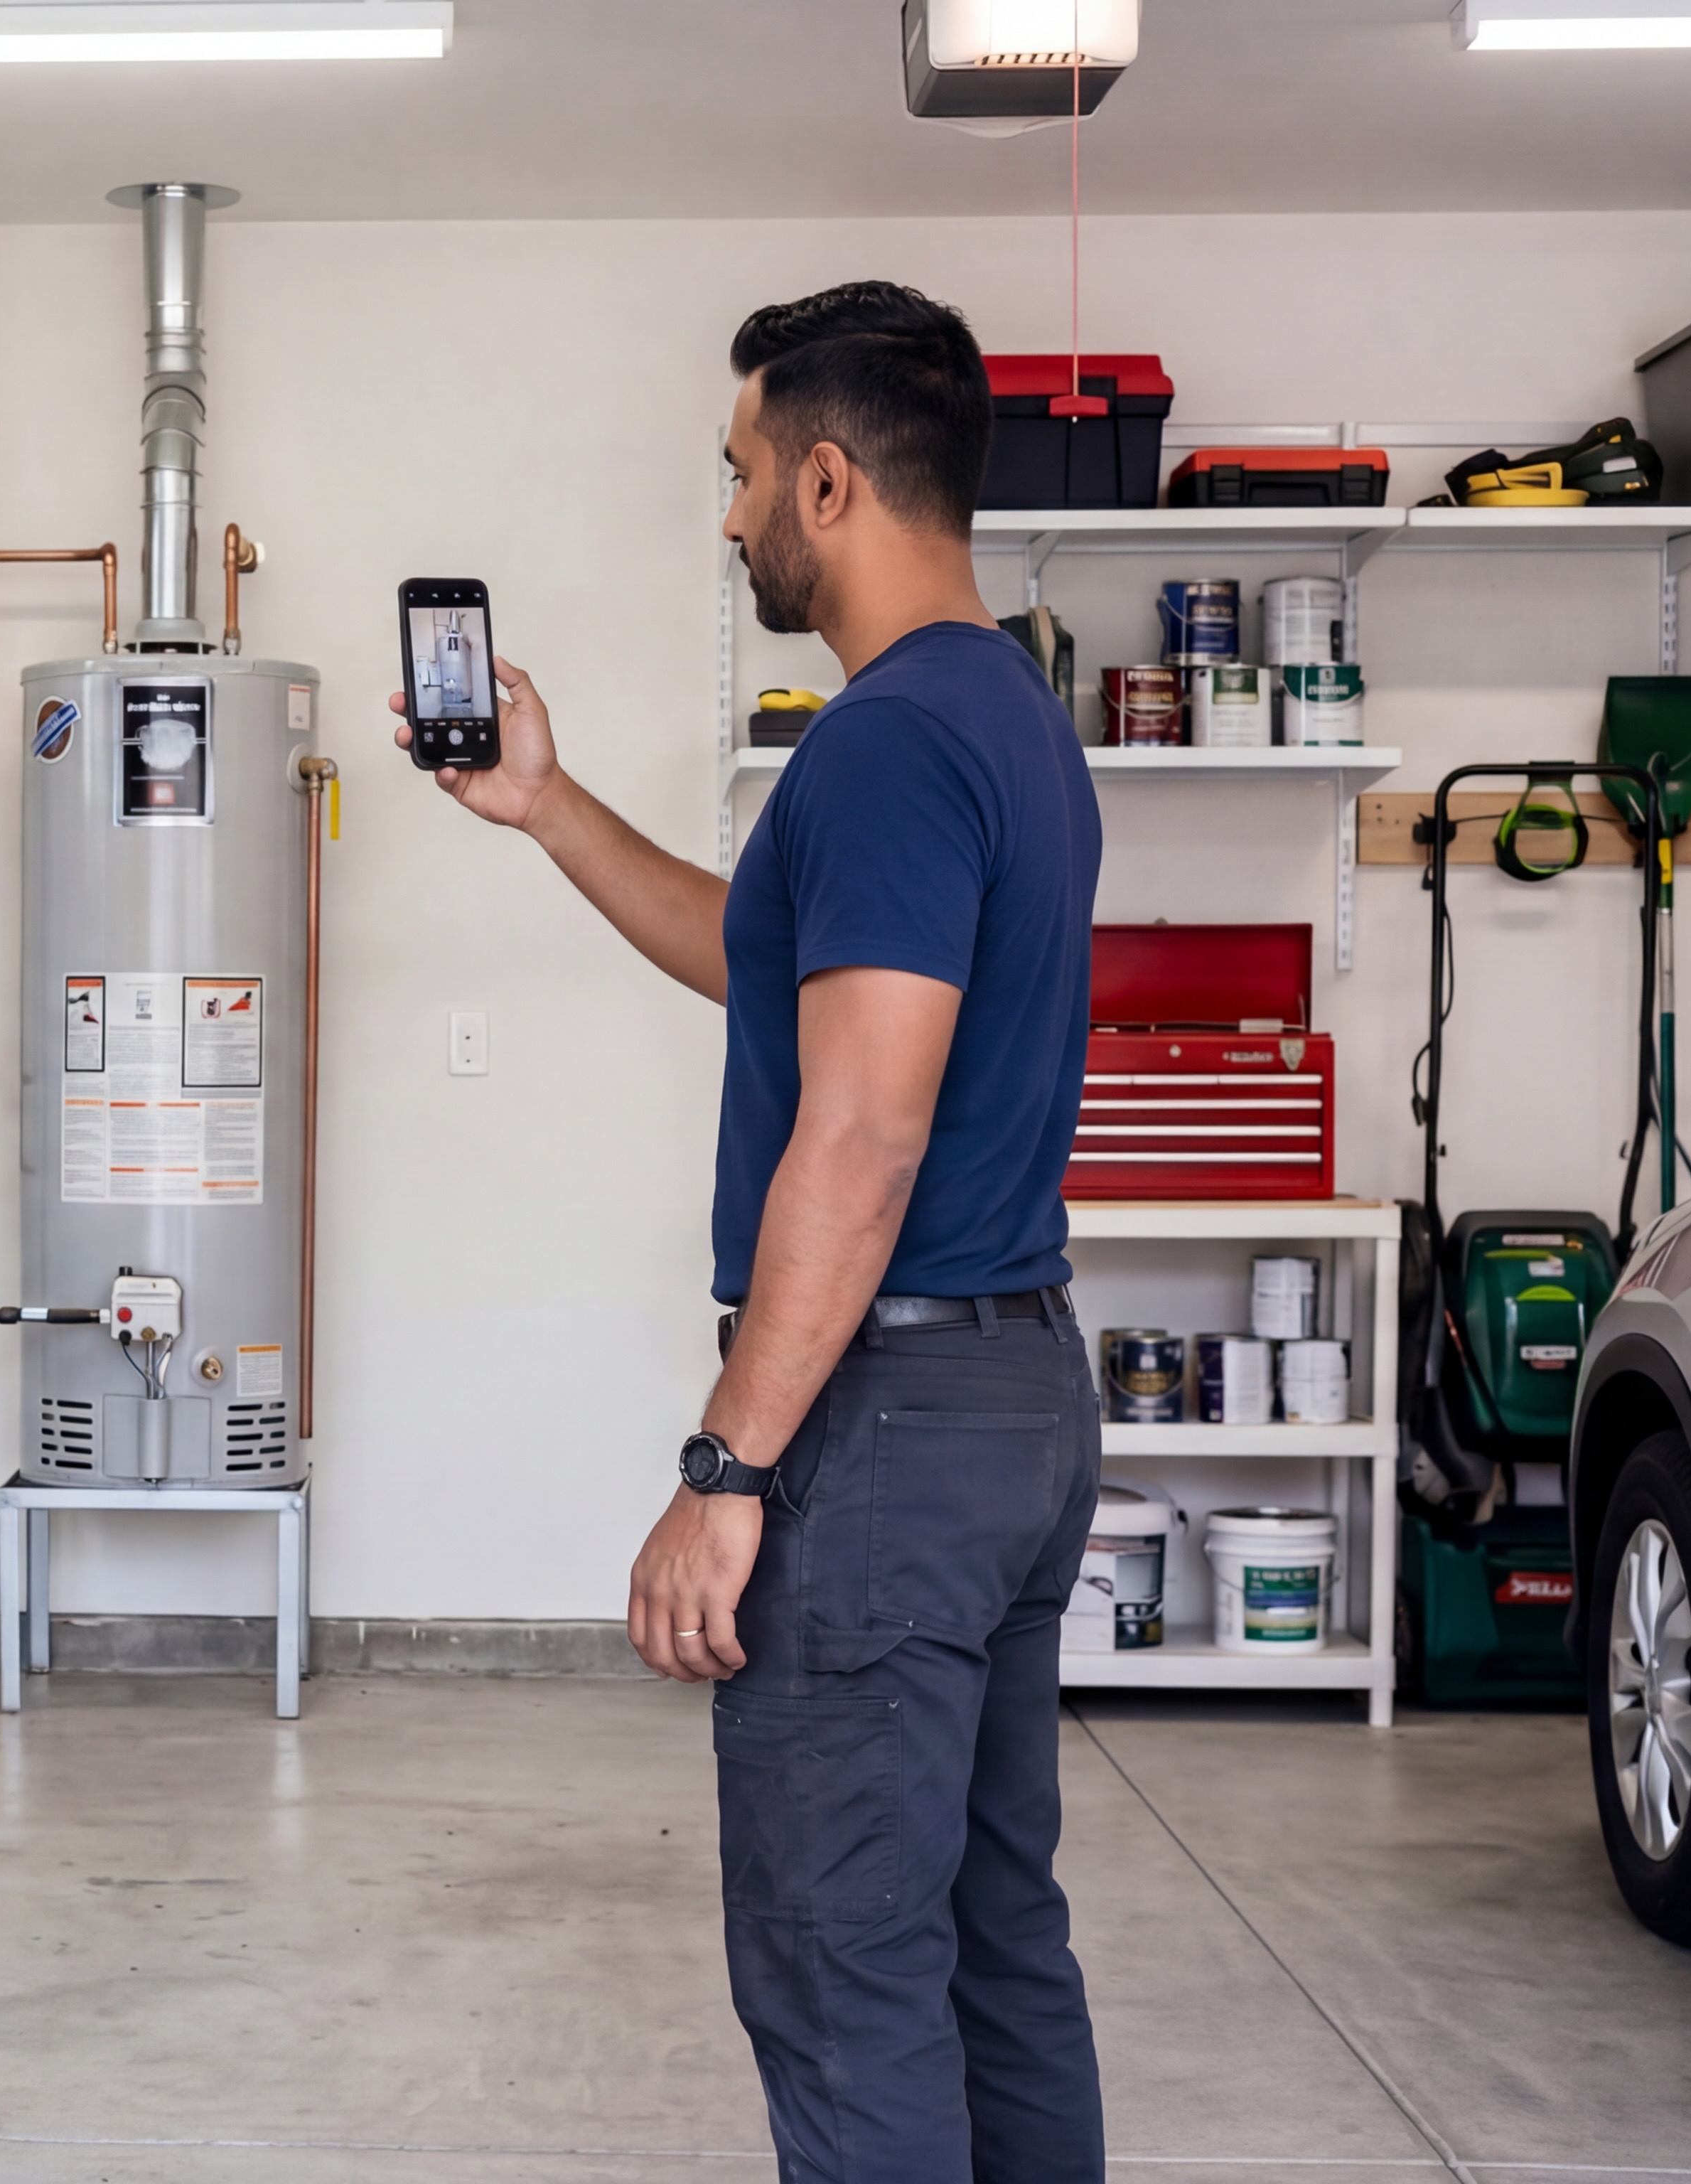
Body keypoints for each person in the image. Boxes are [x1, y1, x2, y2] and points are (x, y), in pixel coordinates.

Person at [399, 282, 1107, 2183]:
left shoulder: (883, 745)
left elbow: (860, 1133)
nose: (725, 523)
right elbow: (773, 965)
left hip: (887, 1431)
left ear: (823, 477)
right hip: (1018, 1395)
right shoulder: (1008, 716)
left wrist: (728, 1465)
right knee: (985, 1941)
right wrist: (548, 810)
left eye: (736, 481)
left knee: (844, 1965)